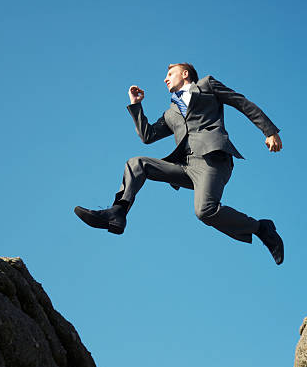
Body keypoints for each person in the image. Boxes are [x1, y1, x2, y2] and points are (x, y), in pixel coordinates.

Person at [74, 63, 284, 265]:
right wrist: (136, 105)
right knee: (136, 163)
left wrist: (269, 131)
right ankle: (117, 212)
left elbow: (241, 102)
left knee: (205, 211)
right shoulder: (171, 112)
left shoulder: (207, 85)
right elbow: (148, 136)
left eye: (170, 74)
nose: (165, 79)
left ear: (185, 74)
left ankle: (261, 228)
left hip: (212, 159)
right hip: (186, 166)